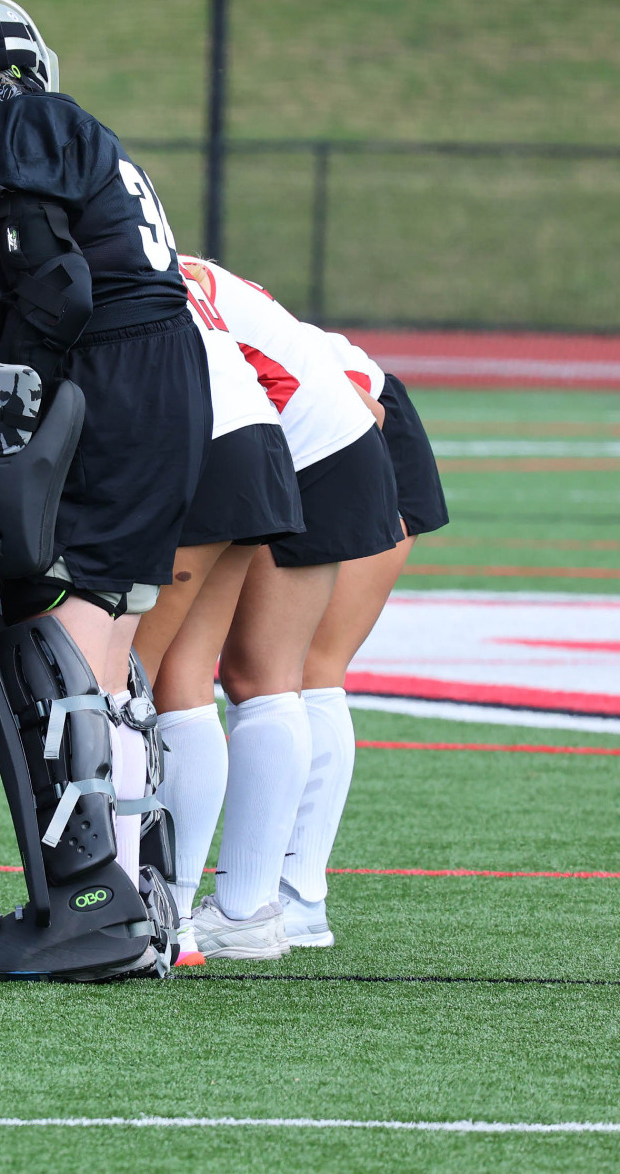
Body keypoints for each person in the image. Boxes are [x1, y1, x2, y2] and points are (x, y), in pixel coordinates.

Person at [0, 0, 210, 980]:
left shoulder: (6, 121)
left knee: (50, 636)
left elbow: (55, 285)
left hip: (111, 375)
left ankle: (89, 901)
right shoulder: (65, 124)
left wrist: (4, 408)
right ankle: (110, 891)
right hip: (158, 372)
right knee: (101, 630)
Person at [153, 256, 400, 962]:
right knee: (270, 676)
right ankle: (264, 904)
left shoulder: (147, 280)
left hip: (317, 440)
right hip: (323, 438)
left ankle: (236, 903)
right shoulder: (171, 264)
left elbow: (363, 403)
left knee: (250, 674)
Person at [276, 330, 448, 948]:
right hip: (300, 448)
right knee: (260, 672)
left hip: (359, 441)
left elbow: (361, 413)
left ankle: (299, 896)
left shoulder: (173, 309)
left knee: (307, 668)